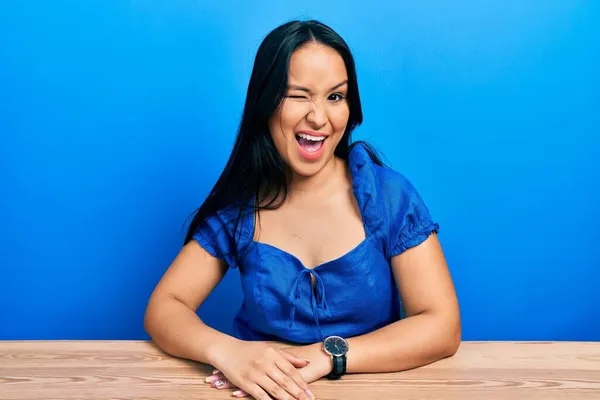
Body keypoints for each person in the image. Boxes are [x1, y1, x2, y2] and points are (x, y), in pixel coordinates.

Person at [144, 19, 461, 400]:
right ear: (266, 103)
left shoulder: (389, 196)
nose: (319, 117)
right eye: (299, 95)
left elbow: (442, 326)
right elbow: (164, 307)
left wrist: (328, 355)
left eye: (335, 96)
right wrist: (230, 352)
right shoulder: (242, 208)